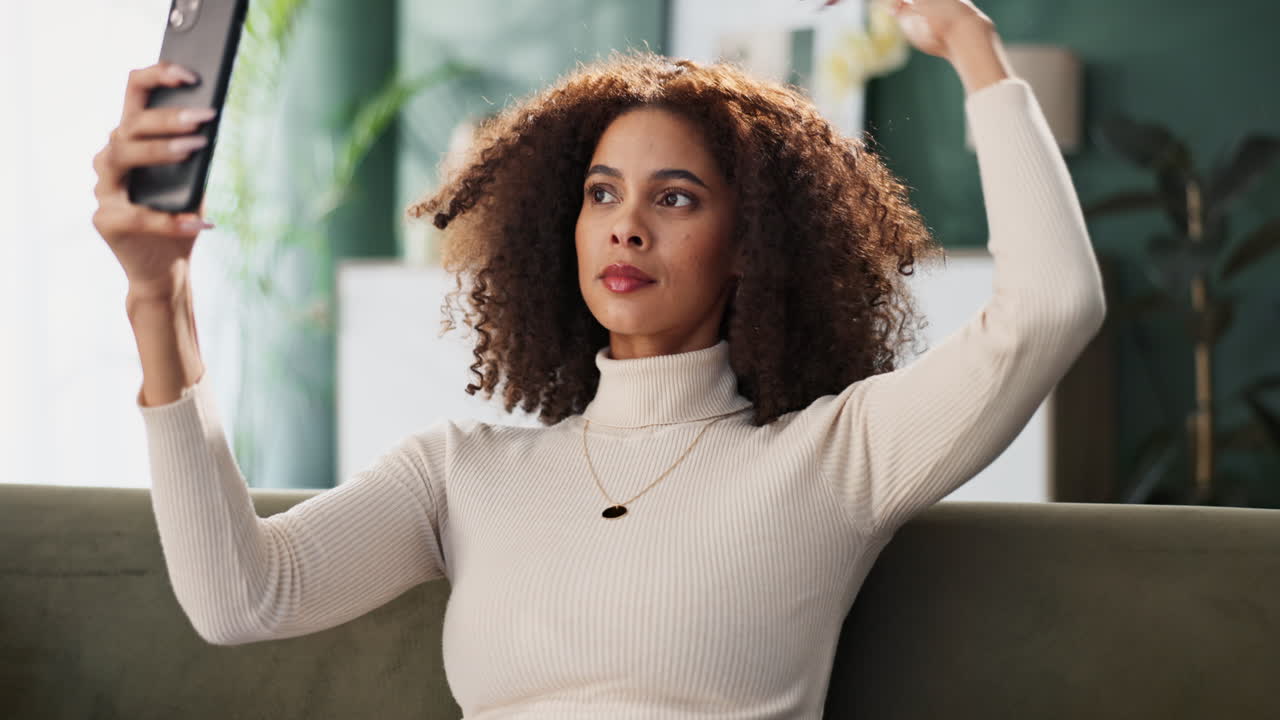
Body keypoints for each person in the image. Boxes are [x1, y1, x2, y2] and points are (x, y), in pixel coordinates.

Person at [92, 0, 1105, 716]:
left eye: (673, 198)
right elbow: (240, 598)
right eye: (599, 194)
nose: (624, 228)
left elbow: (1051, 307)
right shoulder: (460, 472)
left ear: (751, 245)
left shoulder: (833, 459)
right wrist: (156, 294)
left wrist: (971, 49)